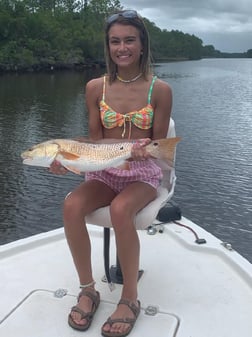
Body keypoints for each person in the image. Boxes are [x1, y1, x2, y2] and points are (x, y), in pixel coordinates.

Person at [50, 9, 172, 337]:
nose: (122, 47)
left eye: (129, 40)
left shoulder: (159, 90)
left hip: (142, 171)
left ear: (142, 44)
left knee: (121, 210)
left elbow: (160, 144)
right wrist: (69, 159)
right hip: (105, 169)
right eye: (115, 41)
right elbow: (94, 140)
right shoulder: (94, 87)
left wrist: (142, 150)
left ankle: (129, 297)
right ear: (108, 46)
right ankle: (88, 289)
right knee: (72, 205)